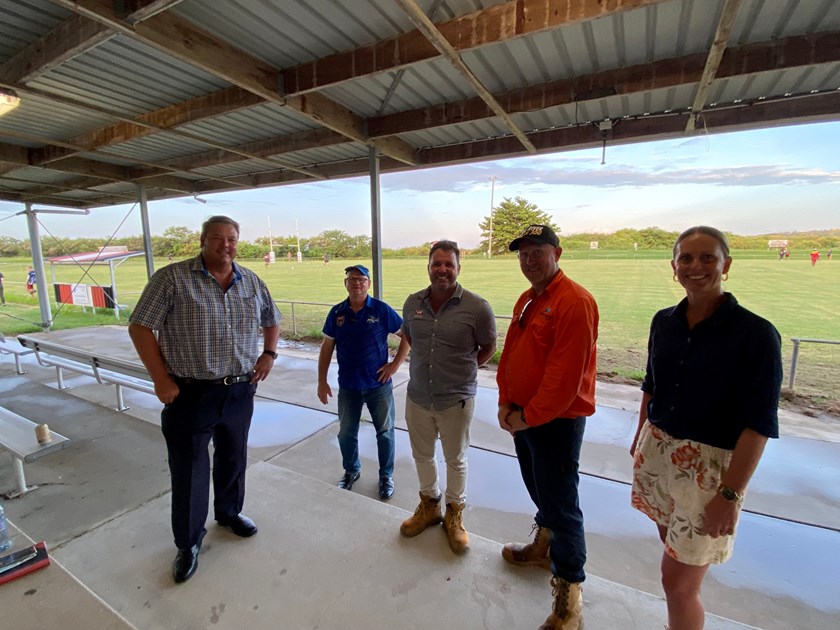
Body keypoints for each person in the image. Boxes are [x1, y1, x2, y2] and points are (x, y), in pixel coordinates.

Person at [630, 226, 782, 630]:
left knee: (677, 582)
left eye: (707, 257)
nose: (696, 266)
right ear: (674, 267)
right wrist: (639, 436)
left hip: (710, 472)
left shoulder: (756, 335)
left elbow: (759, 423)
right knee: (675, 556)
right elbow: (652, 384)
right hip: (658, 452)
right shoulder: (664, 322)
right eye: (687, 258)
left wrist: (730, 495)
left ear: (726, 265)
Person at [128, 215, 280, 584]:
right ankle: (188, 542)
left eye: (232, 239)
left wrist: (269, 354)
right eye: (218, 238)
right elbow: (140, 326)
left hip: (240, 390)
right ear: (202, 240)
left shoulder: (251, 281)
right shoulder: (172, 279)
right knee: (190, 470)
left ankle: (228, 513)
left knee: (233, 458)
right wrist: (160, 378)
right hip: (190, 393)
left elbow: (271, 319)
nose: (226, 245)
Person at [496, 225, 599, 630]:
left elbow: (564, 378)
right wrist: (506, 401)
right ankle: (544, 546)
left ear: (557, 253)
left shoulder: (574, 301)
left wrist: (527, 417)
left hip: (555, 421)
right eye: (523, 253)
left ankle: (570, 596)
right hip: (525, 416)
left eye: (537, 252)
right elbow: (512, 355)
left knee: (562, 505)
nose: (529, 260)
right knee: (539, 489)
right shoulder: (528, 299)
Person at [398, 240, 496, 555]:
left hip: (457, 399)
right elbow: (411, 337)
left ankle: (454, 515)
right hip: (418, 396)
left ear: (458, 268)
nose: (442, 270)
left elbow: (488, 347)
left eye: (448, 264)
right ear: (428, 267)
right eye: (436, 264)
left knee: (456, 459)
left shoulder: (477, 307)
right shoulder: (413, 302)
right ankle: (430, 506)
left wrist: (462, 370)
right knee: (422, 455)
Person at [317, 264, 410, 500]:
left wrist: (394, 365)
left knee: (385, 432)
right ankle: (351, 471)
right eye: (351, 279)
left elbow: (407, 336)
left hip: (378, 386)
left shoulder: (381, 310)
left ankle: (386, 476)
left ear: (368, 283)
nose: (356, 283)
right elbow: (327, 347)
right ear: (345, 283)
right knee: (346, 433)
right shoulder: (337, 313)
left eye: (361, 279)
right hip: (348, 386)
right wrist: (321, 380)